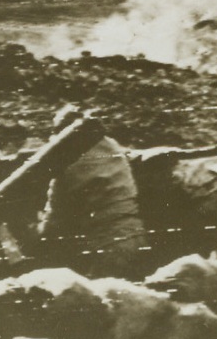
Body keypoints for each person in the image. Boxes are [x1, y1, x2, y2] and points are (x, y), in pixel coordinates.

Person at [38, 107, 147, 278]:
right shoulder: (111, 146)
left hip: (108, 244)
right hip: (136, 234)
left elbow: (53, 221)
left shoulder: (67, 164)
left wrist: (35, 239)